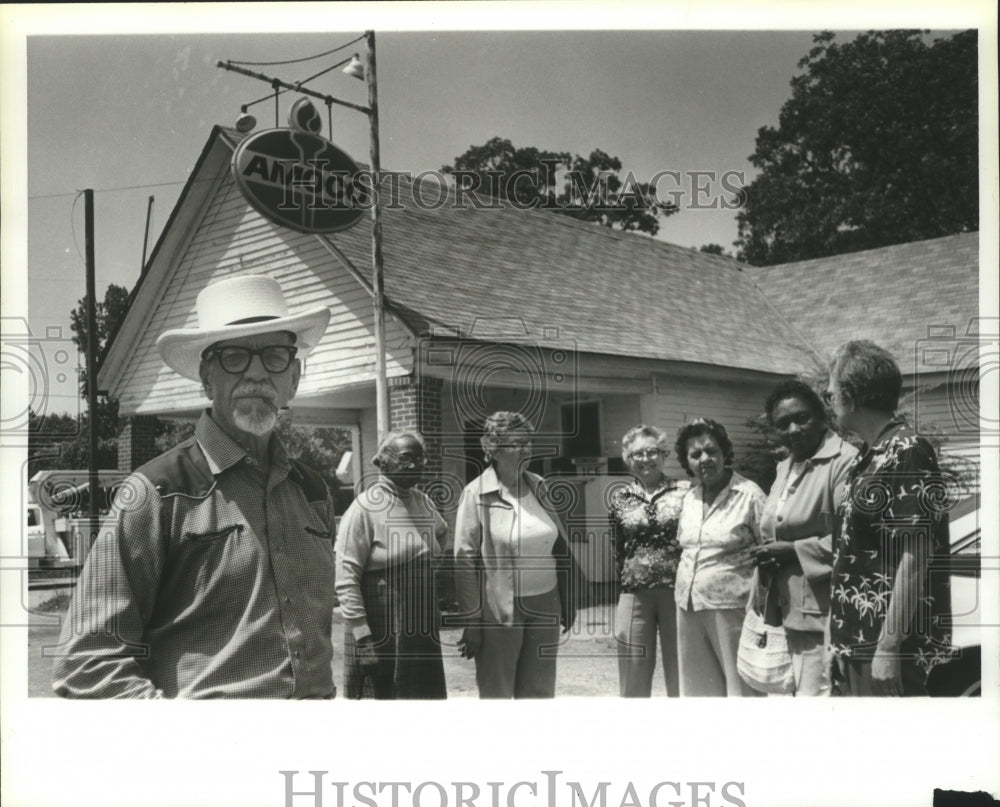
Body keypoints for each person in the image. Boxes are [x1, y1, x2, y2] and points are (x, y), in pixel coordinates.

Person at [52, 274, 336, 698]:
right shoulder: (154, 493)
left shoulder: (313, 492)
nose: (256, 373)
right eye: (234, 356)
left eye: (275, 355)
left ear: (293, 377)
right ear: (207, 377)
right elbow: (86, 663)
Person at [825, 340, 952, 696]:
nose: (830, 403)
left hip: (888, 647)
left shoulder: (906, 451)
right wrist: (838, 639)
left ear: (850, 396)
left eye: (830, 394)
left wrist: (888, 647)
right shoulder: (870, 456)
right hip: (859, 642)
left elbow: (915, 555)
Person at [453, 411, 578, 698]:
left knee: (539, 691)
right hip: (500, 609)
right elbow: (464, 560)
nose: (525, 449)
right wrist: (472, 622)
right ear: (493, 448)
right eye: (516, 443)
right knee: (497, 690)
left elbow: (560, 546)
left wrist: (568, 598)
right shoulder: (476, 494)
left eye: (528, 442)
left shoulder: (539, 485)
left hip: (546, 603)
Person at [748, 379, 858, 696]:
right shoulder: (786, 466)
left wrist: (795, 551)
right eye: (783, 424)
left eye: (802, 418)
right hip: (782, 612)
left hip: (822, 616)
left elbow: (852, 541)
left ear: (822, 417)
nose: (793, 429)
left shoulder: (844, 463)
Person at [335, 430, 448, 699]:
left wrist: (428, 564)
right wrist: (363, 640)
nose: (416, 464)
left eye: (421, 458)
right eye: (407, 457)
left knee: (421, 703)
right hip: (381, 622)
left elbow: (441, 533)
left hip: (419, 622)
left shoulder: (423, 502)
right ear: (383, 463)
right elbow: (345, 577)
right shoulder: (364, 507)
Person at [673, 418, 764, 696]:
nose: (705, 459)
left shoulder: (750, 495)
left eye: (712, 451)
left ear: (725, 453)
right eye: (695, 454)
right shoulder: (689, 498)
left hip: (733, 609)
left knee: (743, 692)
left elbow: (770, 551)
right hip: (687, 606)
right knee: (698, 693)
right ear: (686, 461)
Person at [608, 424, 689, 697]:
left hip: (677, 592)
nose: (645, 459)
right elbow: (618, 546)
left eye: (652, 452)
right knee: (633, 673)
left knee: (682, 672)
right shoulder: (620, 498)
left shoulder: (684, 492)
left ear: (663, 454)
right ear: (629, 459)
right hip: (635, 593)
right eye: (637, 454)